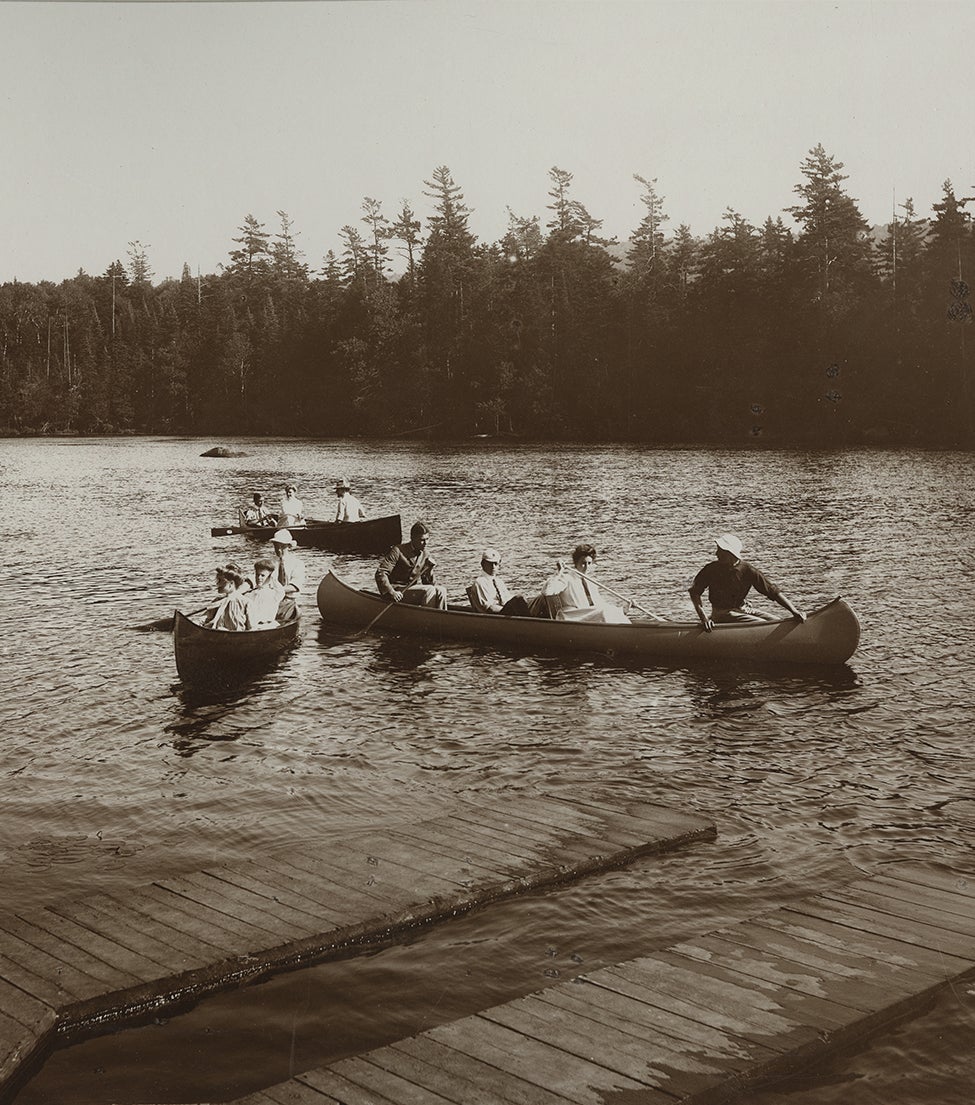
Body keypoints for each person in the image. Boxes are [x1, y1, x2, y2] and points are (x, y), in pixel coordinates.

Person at [689, 534, 806, 631]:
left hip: (741, 609)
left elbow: (772, 591)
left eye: (720, 551)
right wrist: (704, 618)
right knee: (763, 625)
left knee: (776, 621)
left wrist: (794, 611)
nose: (716, 554)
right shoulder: (711, 569)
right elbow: (695, 592)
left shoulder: (747, 570)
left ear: (730, 554)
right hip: (722, 613)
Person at [536, 543, 631, 623]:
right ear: (575, 563)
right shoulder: (566, 578)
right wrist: (559, 572)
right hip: (572, 617)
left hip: (589, 616)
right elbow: (547, 592)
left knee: (609, 612)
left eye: (589, 563)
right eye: (583, 563)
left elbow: (599, 603)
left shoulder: (591, 582)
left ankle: (629, 632)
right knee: (603, 612)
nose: (586, 567)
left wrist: (621, 610)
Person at [376, 521, 448, 609]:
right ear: (412, 538)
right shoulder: (398, 550)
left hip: (413, 591)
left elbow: (429, 583)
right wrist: (391, 592)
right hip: (397, 592)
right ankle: (426, 619)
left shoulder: (426, 554)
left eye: (427, 539)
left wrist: (429, 570)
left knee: (441, 590)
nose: (426, 543)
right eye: (422, 540)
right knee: (430, 590)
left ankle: (440, 618)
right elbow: (381, 573)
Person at [468, 549, 531, 616]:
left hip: (503, 613)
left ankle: (532, 620)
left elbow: (507, 599)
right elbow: (490, 608)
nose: (493, 567)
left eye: (495, 564)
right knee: (519, 598)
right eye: (490, 563)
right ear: (482, 564)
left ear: (499, 565)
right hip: (493, 617)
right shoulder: (480, 582)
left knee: (537, 599)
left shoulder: (499, 582)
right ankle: (531, 622)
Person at [202, 563, 250, 631]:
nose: (217, 584)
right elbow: (203, 619)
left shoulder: (245, 602)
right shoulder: (217, 601)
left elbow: (251, 628)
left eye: (220, 580)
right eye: (217, 580)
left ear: (231, 584)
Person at [271, 529, 305, 620]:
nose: (278, 549)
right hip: (270, 599)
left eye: (282, 546)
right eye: (276, 546)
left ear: (289, 546)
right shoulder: (270, 563)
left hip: (288, 601)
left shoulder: (298, 564)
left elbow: (294, 586)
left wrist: (275, 590)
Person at [245, 557, 285, 629]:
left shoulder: (275, 593)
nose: (259, 578)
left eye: (263, 575)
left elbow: (280, 589)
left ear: (270, 576)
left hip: (267, 626)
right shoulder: (251, 594)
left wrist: (272, 576)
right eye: (257, 575)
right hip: (252, 626)